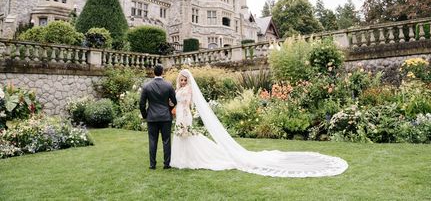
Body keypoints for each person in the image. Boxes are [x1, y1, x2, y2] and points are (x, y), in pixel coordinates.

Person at [170, 69, 349, 177]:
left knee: (187, 135)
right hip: (180, 115)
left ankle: (189, 158)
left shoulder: (187, 90)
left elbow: (186, 104)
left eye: (185, 79)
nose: (183, 81)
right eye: (182, 79)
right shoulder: (179, 89)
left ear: (188, 81)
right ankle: (182, 159)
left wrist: (181, 111)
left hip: (184, 115)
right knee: (184, 137)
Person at [140, 64, 177, 170]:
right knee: (166, 141)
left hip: (152, 117)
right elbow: (174, 101)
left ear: (153, 72)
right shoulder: (168, 85)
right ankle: (166, 164)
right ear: (162, 72)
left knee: (152, 140)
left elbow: (142, 104)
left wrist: (145, 115)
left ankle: (152, 164)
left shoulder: (147, 86)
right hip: (165, 117)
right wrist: (169, 109)